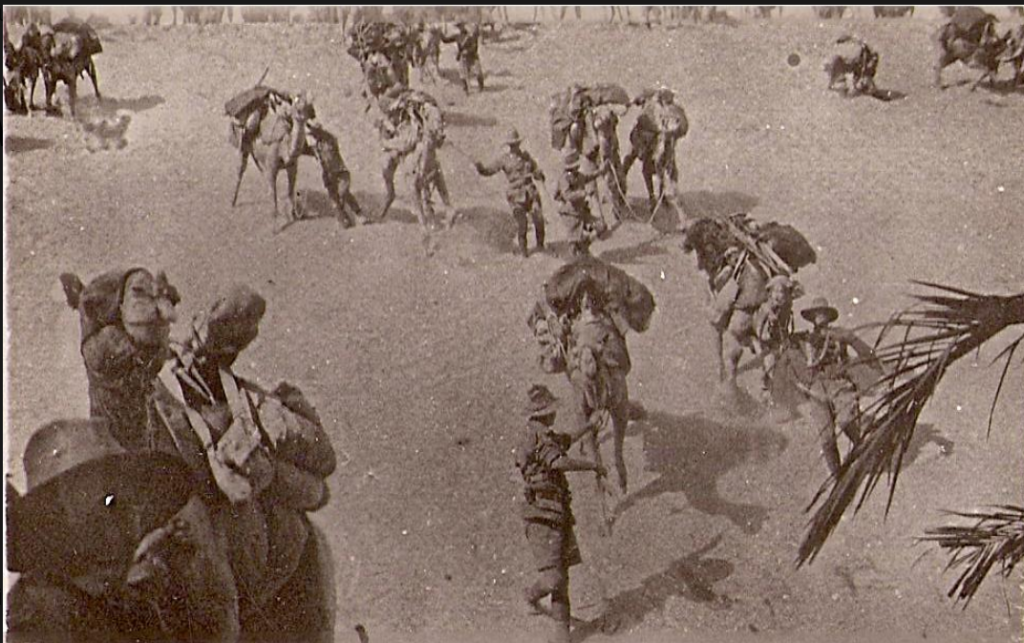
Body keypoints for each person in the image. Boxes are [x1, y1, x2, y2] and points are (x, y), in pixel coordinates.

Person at [6, 419, 239, 642]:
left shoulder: (130, 602)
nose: (124, 523)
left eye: (129, 501)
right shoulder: (38, 619)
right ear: (57, 519)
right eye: (102, 505)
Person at [515, 384, 606, 643]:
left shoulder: (545, 435)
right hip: (540, 515)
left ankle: (561, 634)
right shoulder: (535, 438)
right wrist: (592, 466)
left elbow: (566, 441)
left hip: (557, 512)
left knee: (562, 575)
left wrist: (589, 425)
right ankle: (530, 596)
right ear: (545, 414)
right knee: (553, 578)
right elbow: (558, 461)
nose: (555, 415)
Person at [797, 297, 882, 477]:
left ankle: (867, 452)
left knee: (846, 421)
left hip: (840, 384)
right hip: (817, 389)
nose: (819, 317)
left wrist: (876, 367)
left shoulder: (840, 334)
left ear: (829, 316)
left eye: (822, 313)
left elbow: (862, 349)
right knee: (826, 437)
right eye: (815, 314)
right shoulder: (805, 339)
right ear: (811, 318)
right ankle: (838, 476)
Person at [474, 127, 547, 256]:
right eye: (512, 145)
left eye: (516, 144)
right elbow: (489, 171)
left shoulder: (526, 157)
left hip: (530, 192)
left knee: (538, 217)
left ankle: (540, 245)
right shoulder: (504, 160)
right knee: (522, 223)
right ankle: (524, 251)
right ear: (509, 146)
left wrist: (539, 174)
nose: (515, 147)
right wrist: (480, 168)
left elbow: (535, 170)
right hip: (515, 195)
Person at [305, 122, 364, 227]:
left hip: (341, 172)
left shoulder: (330, 140)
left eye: (316, 133)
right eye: (313, 134)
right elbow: (304, 149)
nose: (314, 136)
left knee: (344, 192)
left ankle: (358, 212)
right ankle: (343, 218)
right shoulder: (316, 147)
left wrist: (314, 127)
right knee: (334, 199)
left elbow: (330, 137)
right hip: (328, 176)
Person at [553, 150, 609, 256]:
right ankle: (575, 258)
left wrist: (600, 172)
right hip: (571, 214)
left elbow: (588, 177)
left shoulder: (578, 175)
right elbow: (567, 195)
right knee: (574, 243)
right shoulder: (564, 178)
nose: (577, 168)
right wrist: (583, 193)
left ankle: (584, 246)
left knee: (601, 226)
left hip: (581, 211)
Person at [442, 21, 484, 94]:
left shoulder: (471, 36)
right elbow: (445, 40)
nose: (460, 28)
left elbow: (475, 47)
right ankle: (466, 89)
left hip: (472, 56)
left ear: (464, 26)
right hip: (463, 57)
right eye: (458, 27)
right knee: (462, 75)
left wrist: (468, 51)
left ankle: (481, 87)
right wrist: (441, 33)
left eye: (461, 26)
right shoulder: (457, 36)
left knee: (478, 72)